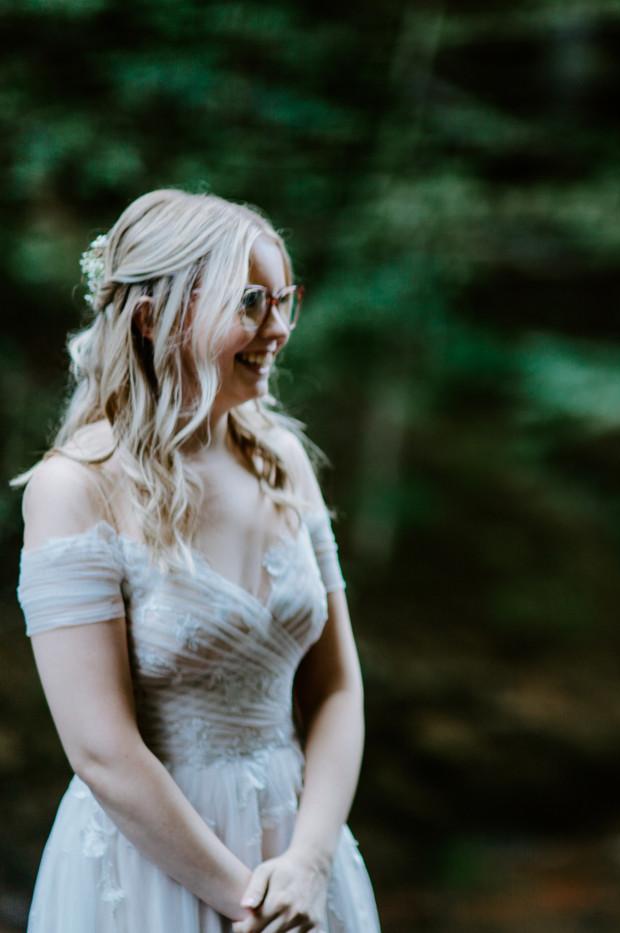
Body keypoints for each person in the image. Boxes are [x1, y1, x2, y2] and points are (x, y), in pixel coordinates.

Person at [14, 189, 379, 932]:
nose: (277, 328)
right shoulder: (74, 489)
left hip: (300, 848)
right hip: (154, 863)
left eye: (284, 299)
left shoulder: (283, 460)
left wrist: (309, 862)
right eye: (250, 303)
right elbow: (101, 749)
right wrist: (246, 902)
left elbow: (338, 686)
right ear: (154, 319)